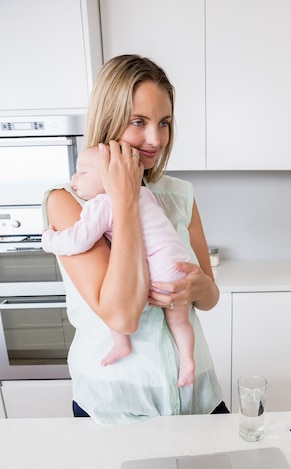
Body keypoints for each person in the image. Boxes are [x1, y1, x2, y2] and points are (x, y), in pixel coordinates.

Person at [42, 54, 228, 424]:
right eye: (138, 122)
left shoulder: (179, 195)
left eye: (164, 123)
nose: (155, 139)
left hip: (197, 398)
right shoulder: (68, 202)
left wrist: (196, 287)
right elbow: (122, 317)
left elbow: (210, 298)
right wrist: (124, 198)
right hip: (115, 406)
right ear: (109, 120)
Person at [42, 146, 195, 387]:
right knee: (179, 321)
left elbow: (79, 239)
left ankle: (122, 343)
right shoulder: (145, 194)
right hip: (178, 267)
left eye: (83, 172)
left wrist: (49, 240)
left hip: (156, 274)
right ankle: (187, 361)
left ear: (109, 177)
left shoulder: (102, 203)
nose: (74, 178)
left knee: (117, 292)